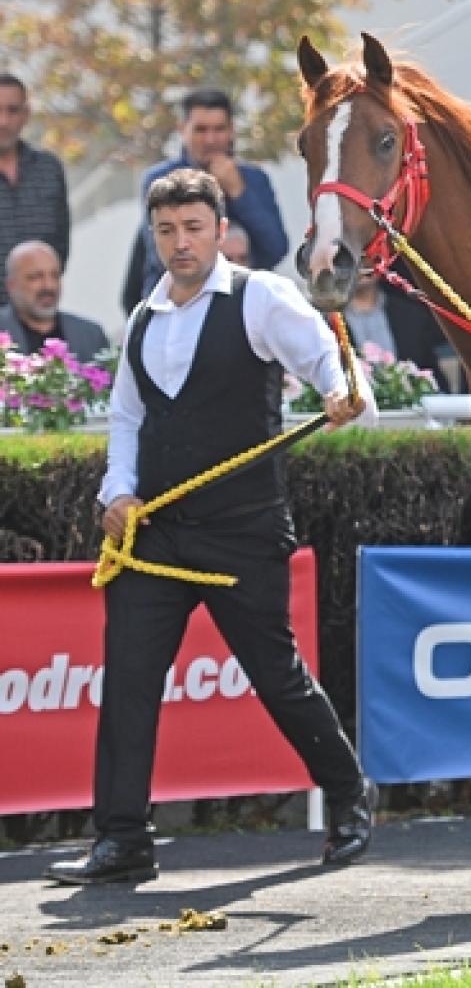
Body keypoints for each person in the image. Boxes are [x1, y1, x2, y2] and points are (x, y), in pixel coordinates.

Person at [46, 168, 377, 886]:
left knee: (277, 677)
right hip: (156, 536)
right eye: (166, 230)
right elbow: (128, 418)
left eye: (193, 227)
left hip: (242, 530)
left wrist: (340, 388)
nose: (179, 242)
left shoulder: (260, 296)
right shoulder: (142, 316)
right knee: (129, 680)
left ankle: (351, 797)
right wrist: (118, 492)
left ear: (219, 230)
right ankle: (123, 838)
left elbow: (327, 358)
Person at [123, 88, 288, 310]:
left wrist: (239, 192)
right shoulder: (160, 179)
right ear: (183, 130)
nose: (210, 140)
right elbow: (160, 255)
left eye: (219, 129)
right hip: (176, 305)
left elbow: (276, 248)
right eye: (200, 130)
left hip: (245, 305)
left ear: (231, 131)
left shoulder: (254, 179)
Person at [0, 74, 70, 304]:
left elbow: (61, 240)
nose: (3, 121)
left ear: (26, 114)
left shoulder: (48, 169)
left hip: (38, 312)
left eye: (12, 111)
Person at [0, 239, 108, 362]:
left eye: (55, 276)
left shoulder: (90, 334)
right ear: (11, 285)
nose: (48, 286)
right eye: (36, 277)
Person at [344, 270, 449, 389]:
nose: (362, 267)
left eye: (369, 260)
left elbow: (431, 373)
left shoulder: (411, 315)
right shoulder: (328, 321)